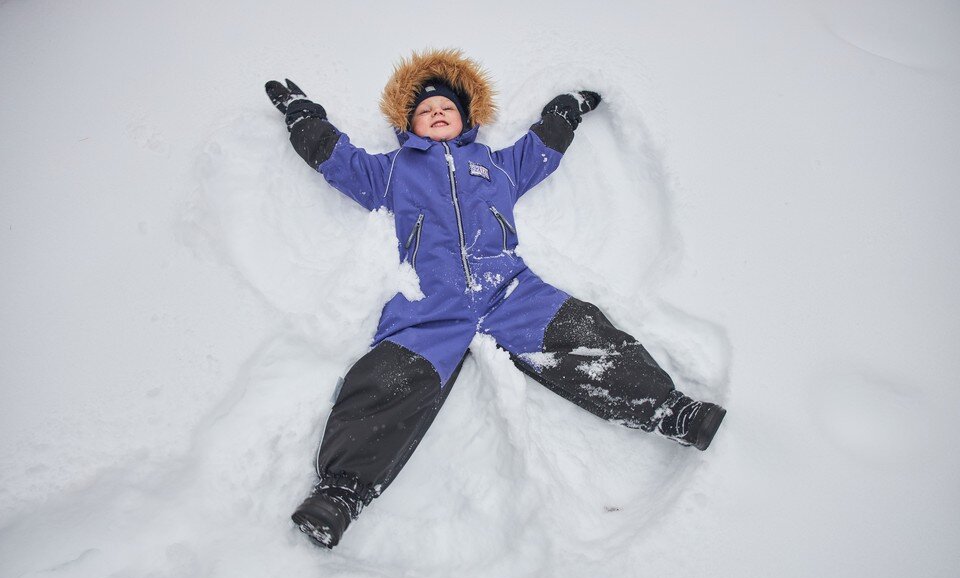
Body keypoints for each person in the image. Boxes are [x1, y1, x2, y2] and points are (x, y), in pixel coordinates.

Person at [265, 49, 726, 549]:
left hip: (509, 291)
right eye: (425, 111)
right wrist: (303, 116)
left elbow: (540, 150)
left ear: (467, 118)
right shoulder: (393, 172)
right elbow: (338, 159)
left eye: (446, 108)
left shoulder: (494, 166)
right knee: (387, 382)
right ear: (408, 124)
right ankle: (337, 495)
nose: (437, 114)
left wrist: (564, 111)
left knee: (583, 332)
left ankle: (671, 410)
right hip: (431, 305)